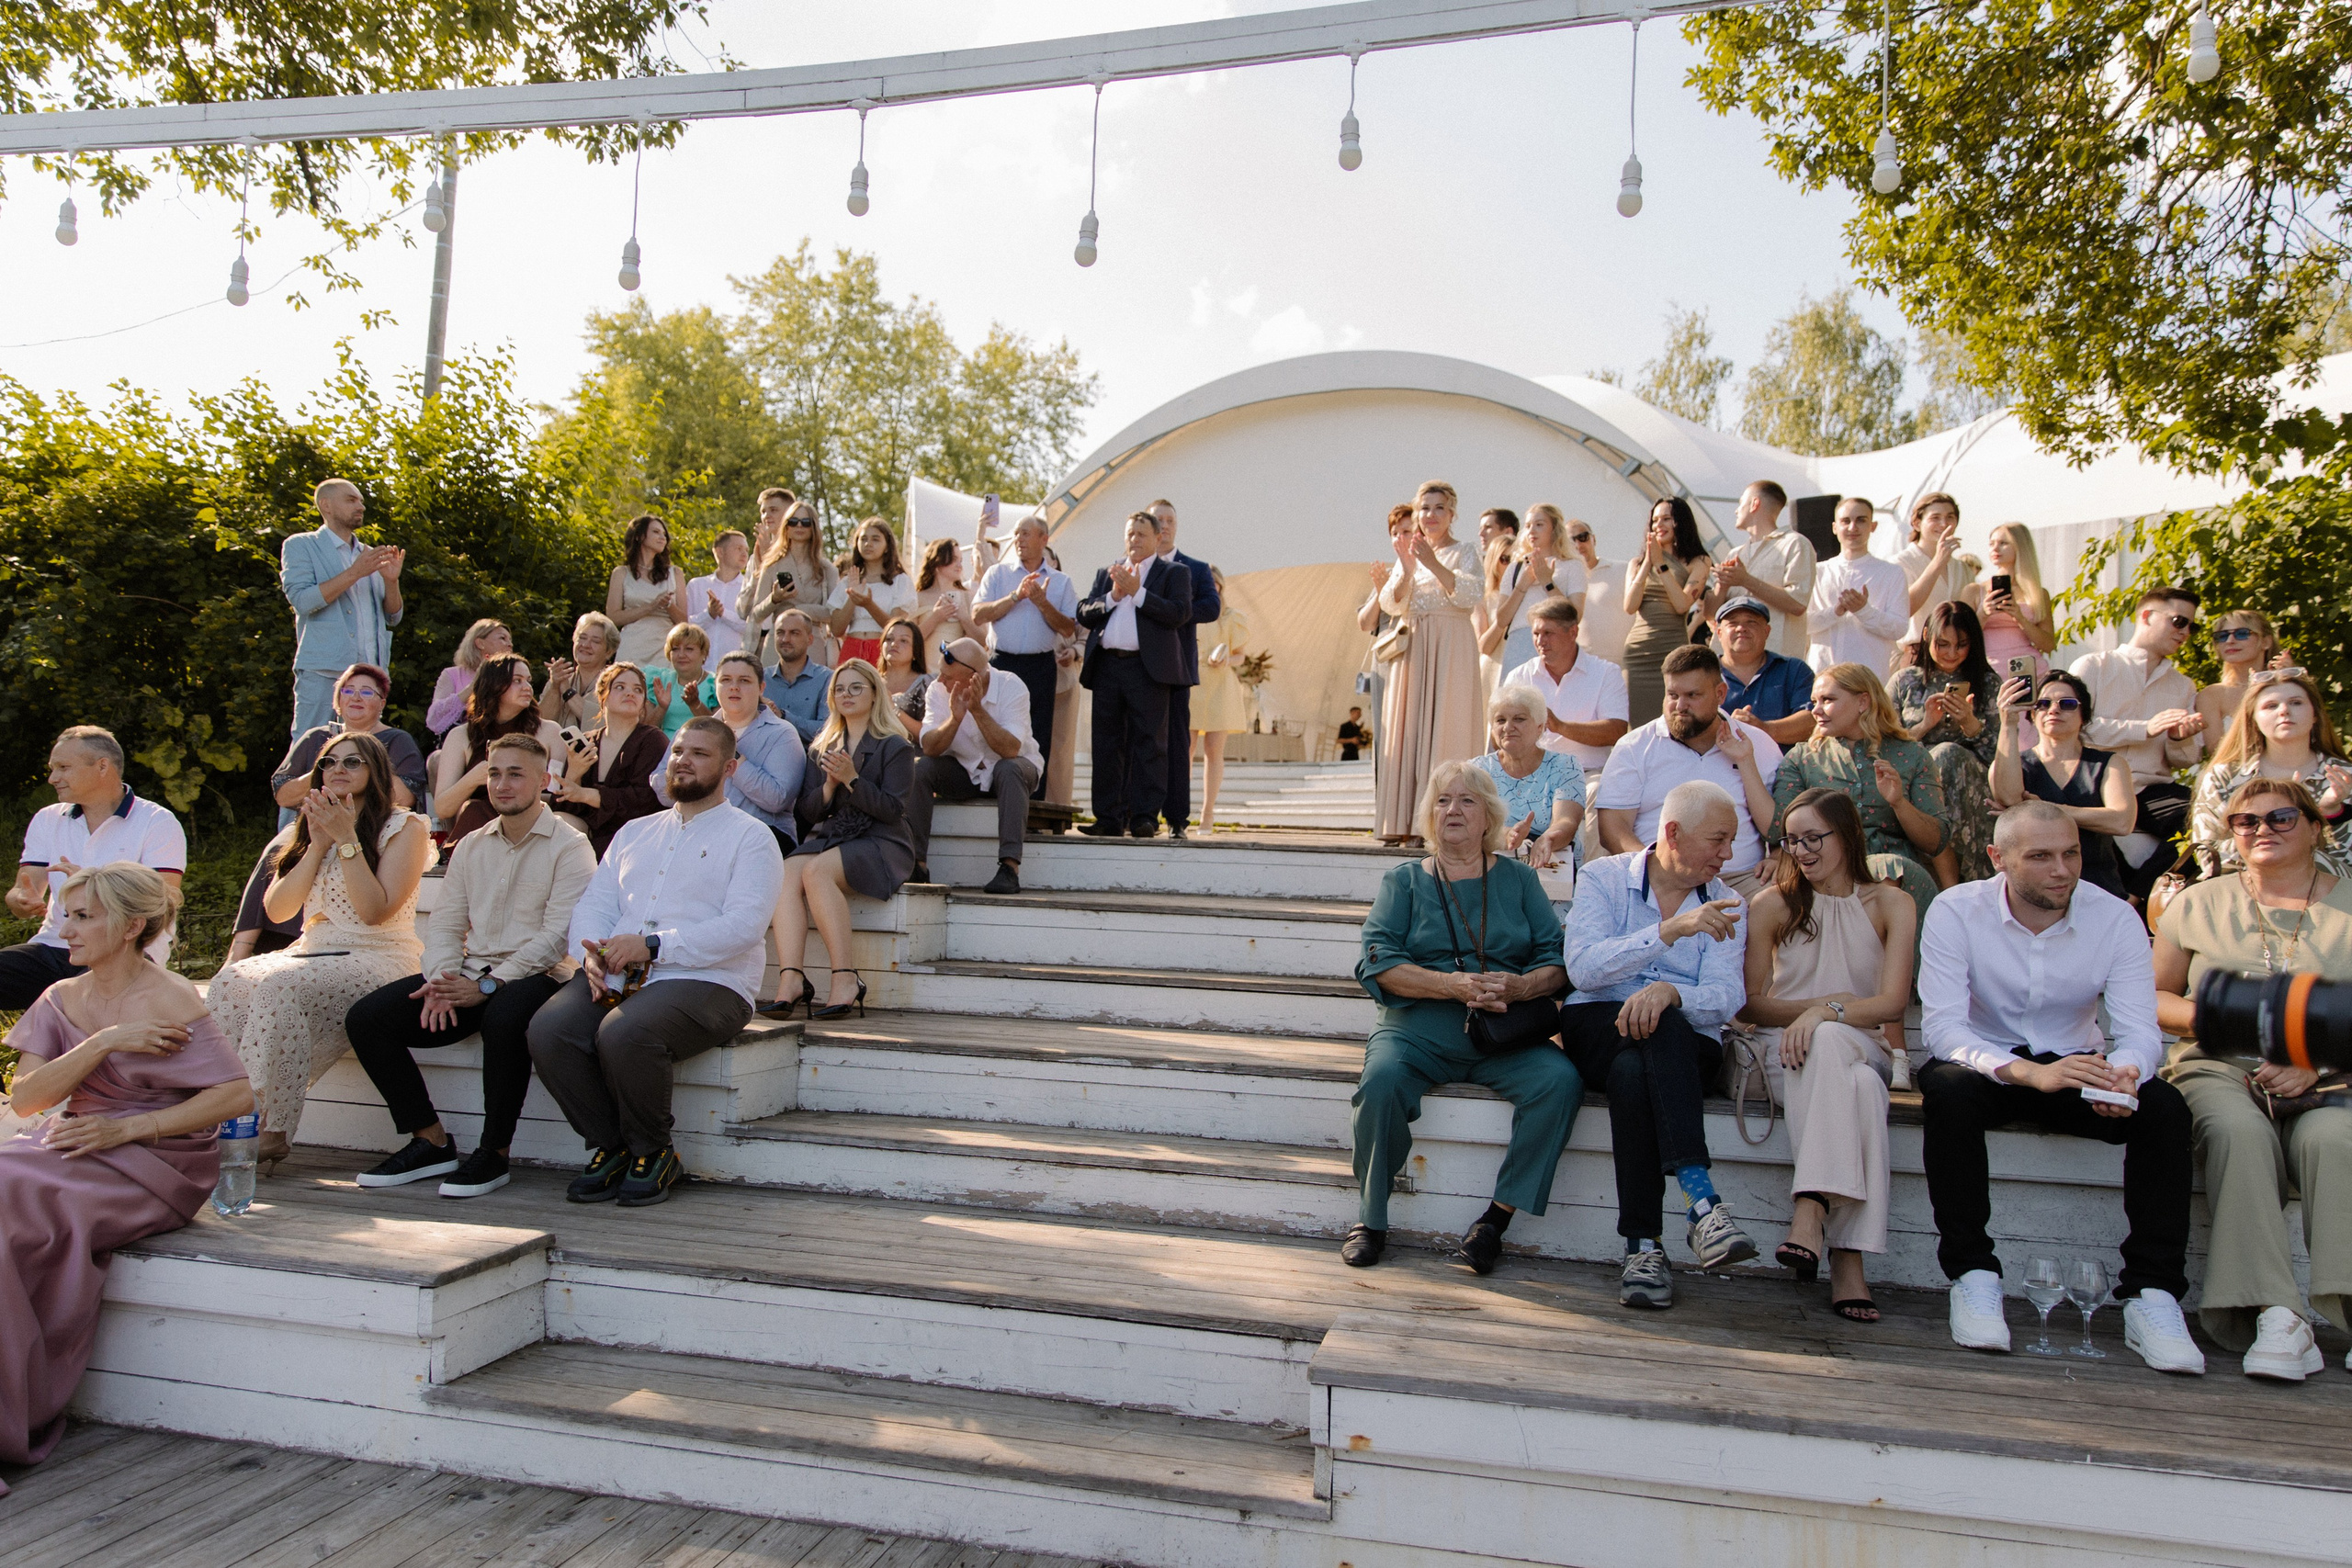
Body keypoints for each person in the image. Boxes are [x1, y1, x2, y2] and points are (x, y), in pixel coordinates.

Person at [1917, 801, 2203, 1371]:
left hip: (2078, 1065)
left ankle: (2152, 1295)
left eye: (2071, 853)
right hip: (1991, 1066)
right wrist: (2027, 1072)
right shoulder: (1956, 909)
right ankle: (1973, 1276)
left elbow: (2139, 1031)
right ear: (1998, 858)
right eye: (2041, 857)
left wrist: (2126, 1074)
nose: (2062, 870)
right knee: (1946, 1089)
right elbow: (1943, 1029)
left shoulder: (2114, 918)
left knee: (2165, 1106)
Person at [0, 863, 252, 1484]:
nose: (66, 929)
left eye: (84, 916)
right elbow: (26, 1100)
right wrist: (103, 1041)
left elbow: (234, 1095)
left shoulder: (171, 997)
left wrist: (126, 1129)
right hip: (76, 1142)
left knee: (15, 1198)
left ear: (133, 925)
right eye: (67, 915)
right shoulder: (60, 996)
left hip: (156, 1160)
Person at [527, 718, 786, 1208]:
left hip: (709, 981)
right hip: (620, 972)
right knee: (549, 1030)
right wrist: (591, 952)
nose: (683, 761)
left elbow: (744, 926)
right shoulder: (635, 831)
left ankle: (654, 1151)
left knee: (623, 1032)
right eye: (679, 751)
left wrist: (652, 945)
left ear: (729, 768)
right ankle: (612, 1146)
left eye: (700, 754)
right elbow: (595, 904)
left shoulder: (752, 837)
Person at [2154, 777, 2352, 1380]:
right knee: (2239, 1134)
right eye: (2246, 821)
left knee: (2334, 1141)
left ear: (2315, 828)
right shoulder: (2197, 902)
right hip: (2218, 1065)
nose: (2262, 829)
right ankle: (2277, 1314)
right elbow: (2154, 996)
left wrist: (2313, 1059)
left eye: (2281, 817)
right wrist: (2233, 1025)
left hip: (2332, 1073)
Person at [343, 735, 596, 1199]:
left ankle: (494, 1153)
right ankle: (430, 1140)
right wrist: (444, 979)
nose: (502, 784)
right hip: (469, 975)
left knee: (505, 1016)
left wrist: (489, 985)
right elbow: (445, 924)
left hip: (539, 978)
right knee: (367, 1018)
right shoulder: (472, 844)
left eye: (516, 774)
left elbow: (556, 938)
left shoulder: (570, 846)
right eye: (494, 773)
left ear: (544, 780)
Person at [1348, 761, 1577, 1274]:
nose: (1453, 809)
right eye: (1443, 800)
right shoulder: (1404, 881)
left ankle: (1495, 1221)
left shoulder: (1520, 880)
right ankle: (1371, 1219)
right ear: (1430, 814)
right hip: (1418, 1030)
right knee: (1381, 1084)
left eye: (1467, 800)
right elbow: (1378, 961)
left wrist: (1520, 987)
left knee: (1560, 1082)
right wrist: (1448, 985)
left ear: (1489, 816)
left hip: (1504, 1031)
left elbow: (1557, 960)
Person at [1562, 780, 1760, 1306]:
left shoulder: (1730, 902)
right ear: (1672, 832)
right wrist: (1669, 931)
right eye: (1718, 839)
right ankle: (1702, 1203)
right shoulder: (1603, 877)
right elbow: (1582, 969)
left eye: (1732, 841)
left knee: (1644, 1056)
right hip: (1600, 1025)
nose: (1728, 854)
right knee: (1653, 1034)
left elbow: (1726, 996)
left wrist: (1670, 992)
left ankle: (1643, 1247)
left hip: (1685, 1045)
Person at [210, 732, 436, 1168]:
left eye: (352, 762)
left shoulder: (404, 827)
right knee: (228, 982)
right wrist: (317, 845)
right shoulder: (310, 825)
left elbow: (374, 912)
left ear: (375, 771)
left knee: (278, 986)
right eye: (328, 763)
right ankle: (221, 1116)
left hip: (380, 955)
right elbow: (278, 910)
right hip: (313, 950)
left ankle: (271, 1128)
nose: (337, 769)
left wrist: (346, 838)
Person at [1738, 789, 1916, 1322]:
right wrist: (1811, 1012)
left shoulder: (1891, 903)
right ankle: (1848, 1262)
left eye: (1814, 838)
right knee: (1861, 1089)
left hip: (1861, 1042)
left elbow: (1892, 1004)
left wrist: (1826, 1014)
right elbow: (1749, 1004)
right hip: (1784, 1051)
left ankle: (1811, 1205)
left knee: (1835, 1043)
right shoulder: (1772, 904)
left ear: (1849, 834)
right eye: (1792, 840)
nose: (1801, 851)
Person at [773, 661, 918, 1019]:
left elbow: (893, 810)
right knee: (785, 873)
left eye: (856, 688)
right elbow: (807, 812)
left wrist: (853, 780)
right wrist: (828, 786)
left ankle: (845, 977)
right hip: (837, 837)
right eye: (839, 689)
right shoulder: (822, 747)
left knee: (816, 872)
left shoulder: (895, 746)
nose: (846, 695)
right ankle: (791, 979)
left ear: (874, 694)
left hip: (883, 840)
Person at [2, 728, 186, 1009]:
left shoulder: (157, 822)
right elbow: (23, 889)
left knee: (83, 999)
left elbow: (164, 902)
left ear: (102, 766)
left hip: (126, 949)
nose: (53, 778)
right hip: (58, 945)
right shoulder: (47, 818)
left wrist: (94, 890)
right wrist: (20, 899)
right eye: (52, 769)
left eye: (63, 768)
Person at [1593, 645, 1782, 899]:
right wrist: (1652, 870)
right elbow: (1613, 829)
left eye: (1693, 695)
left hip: (1741, 878)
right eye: (1672, 695)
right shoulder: (1634, 746)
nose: (1680, 706)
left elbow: (1780, 829)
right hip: (1660, 878)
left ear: (1720, 693)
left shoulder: (1757, 743)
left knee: (1782, 900)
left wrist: (1780, 855)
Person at [1771, 663, 1946, 930]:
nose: (1816, 710)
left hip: (1898, 876)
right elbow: (1778, 829)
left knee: (1888, 870)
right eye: (1814, 702)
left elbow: (1936, 841)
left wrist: (1899, 803)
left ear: (1863, 702)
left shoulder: (1912, 755)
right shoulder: (1802, 758)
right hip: (1825, 868)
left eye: (1828, 700)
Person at [2073, 586, 2207, 897]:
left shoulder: (2184, 685)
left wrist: (2178, 739)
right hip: (2095, 784)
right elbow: (2076, 728)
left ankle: (2138, 895)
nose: (2186, 632)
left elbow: (2185, 759)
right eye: (2179, 621)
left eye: (2193, 626)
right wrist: (2145, 728)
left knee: (2209, 819)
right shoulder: (2094, 665)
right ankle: (2134, 898)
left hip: (2150, 789)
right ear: (2146, 616)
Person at [1374, 481, 1485, 843]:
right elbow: (1391, 603)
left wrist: (1431, 563)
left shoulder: (1465, 551)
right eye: (1424, 508)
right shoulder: (1409, 552)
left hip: (1451, 647)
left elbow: (1471, 593)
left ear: (1452, 514)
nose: (1431, 515)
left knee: (1447, 726)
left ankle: (1444, 823)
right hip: (1414, 651)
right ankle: (1404, 821)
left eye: (1439, 508)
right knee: (1409, 732)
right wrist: (1407, 568)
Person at [1078, 512, 1194, 839]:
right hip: (1107, 667)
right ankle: (1107, 818)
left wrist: (1137, 592)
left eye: (1142, 534)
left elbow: (1179, 613)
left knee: (1150, 744)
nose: (1134, 540)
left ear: (1158, 538)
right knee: (1106, 744)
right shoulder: (1108, 573)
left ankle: (1144, 817)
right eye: (1130, 533)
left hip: (1147, 670)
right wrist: (1114, 596)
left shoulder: (1174, 573)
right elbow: (1083, 612)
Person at [2184, 670, 2352, 879]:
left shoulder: (2345, 776)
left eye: (2296, 703)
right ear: (2253, 718)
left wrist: (2330, 814)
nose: (2284, 711)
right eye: (2271, 706)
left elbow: (2347, 865)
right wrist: (2281, 836)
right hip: (2242, 889)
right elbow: (2208, 854)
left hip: (2327, 893)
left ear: (2315, 714)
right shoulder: (2225, 776)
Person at [909, 637, 1040, 896]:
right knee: (920, 767)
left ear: (973, 677)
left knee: (1008, 768)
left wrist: (977, 711)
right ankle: (916, 865)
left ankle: (1009, 868)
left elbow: (1010, 750)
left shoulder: (1012, 686)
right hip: (966, 771)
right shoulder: (937, 689)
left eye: (948, 676)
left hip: (1013, 771)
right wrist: (955, 719)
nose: (939, 680)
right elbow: (930, 748)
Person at [1990, 670, 2136, 900]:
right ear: (2032, 713)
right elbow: (2008, 799)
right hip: (2031, 893)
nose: (2053, 710)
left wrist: (2047, 808)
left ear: (2084, 715)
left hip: (2097, 886)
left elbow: (2122, 821)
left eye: (2067, 704)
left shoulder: (2109, 764)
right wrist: (2008, 723)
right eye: (2043, 704)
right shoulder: (2015, 765)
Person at [280, 477, 403, 739]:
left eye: (361, 501)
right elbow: (302, 601)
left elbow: (393, 616)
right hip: (324, 671)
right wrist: (355, 572)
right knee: (310, 744)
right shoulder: (301, 545)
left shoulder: (369, 553)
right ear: (326, 505)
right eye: (351, 500)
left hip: (370, 676)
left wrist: (391, 582)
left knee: (363, 749)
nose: (361, 506)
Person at [1890, 601, 2002, 884]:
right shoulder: (1905, 681)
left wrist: (1970, 723)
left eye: (1961, 645)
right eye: (1943, 644)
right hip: (1912, 778)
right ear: (1927, 635)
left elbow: (2001, 755)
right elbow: (1884, 745)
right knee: (1937, 756)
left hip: (1971, 784)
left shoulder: (1988, 683)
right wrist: (1925, 724)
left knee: (1948, 754)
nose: (1952, 653)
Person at [656, 651, 805, 853]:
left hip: (761, 836)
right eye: (726, 680)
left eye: (744, 680)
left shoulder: (782, 733)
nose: (734, 687)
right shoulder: (693, 731)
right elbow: (662, 790)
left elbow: (777, 799)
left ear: (761, 687)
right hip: (697, 831)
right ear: (716, 685)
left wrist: (732, 756)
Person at [972, 514, 1080, 777]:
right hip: (1001, 663)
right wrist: (1015, 596)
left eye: (1025, 533)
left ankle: (1034, 796)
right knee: (994, 727)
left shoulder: (1061, 582)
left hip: (1040, 666)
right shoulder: (998, 574)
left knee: (1038, 735)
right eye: (1016, 534)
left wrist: (1042, 602)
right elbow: (977, 615)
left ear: (1044, 539)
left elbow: (1068, 628)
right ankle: (992, 789)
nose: (1018, 539)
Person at [434, 652, 564, 840]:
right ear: (493, 685)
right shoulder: (461, 736)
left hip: (532, 822)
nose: (527, 687)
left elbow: (556, 796)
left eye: (528, 681)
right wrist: (475, 777)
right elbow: (443, 808)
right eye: (517, 680)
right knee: (473, 809)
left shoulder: (550, 732)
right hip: (480, 824)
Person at [1500, 596, 1631, 784]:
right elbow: (1499, 736)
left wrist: (1560, 726)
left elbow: (1616, 731)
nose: (1540, 641)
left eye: (1548, 633)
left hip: (1587, 775)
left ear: (1573, 632)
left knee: (1596, 789)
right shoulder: (1519, 676)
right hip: (1530, 777)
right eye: (1536, 633)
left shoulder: (1605, 673)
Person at [270, 662, 429, 815]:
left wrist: (363, 765)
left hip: (375, 826)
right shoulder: (316, 737)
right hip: (317, 824)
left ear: (382, 703)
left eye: (366, 692)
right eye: (348, 691)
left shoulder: (397, 740)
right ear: (339, 699)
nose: (356, 697)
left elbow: (405, 798)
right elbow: (283, 796)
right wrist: (325, 770)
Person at [1149, 499, 1221, 838]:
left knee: (1178, 745)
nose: (1164, 526)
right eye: (1158, 520)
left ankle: (1177, 819)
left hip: (1177, 667)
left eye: (1170, 520)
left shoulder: (1195, 568)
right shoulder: (1134, 567)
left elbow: (1212, 607)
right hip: (1138, 667)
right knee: (1142, 742)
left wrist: (1174, 609)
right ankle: (1139, 815)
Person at [549, 662, 668, 857]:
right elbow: (563, 806)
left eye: (638, 690)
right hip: (587, 834)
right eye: (620, 687)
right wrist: (574, 773)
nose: (630, 693)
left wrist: (585, 794)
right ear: (603, 696)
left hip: (635, 836)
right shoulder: (587, 741)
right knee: (557, 824)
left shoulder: (653, 740)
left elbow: (644, 801)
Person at [1471, 686, 1585, 886]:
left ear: (1540, 727)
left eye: (1519, 719)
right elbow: (1472, 824)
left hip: (1551, 875)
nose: (1508, 727)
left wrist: (1548, 838)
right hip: (1489, 876)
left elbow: (1567, 820)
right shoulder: (1477, 770)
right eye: (1500, 720)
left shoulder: (1565, 765)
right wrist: (1507, 835)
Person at [1622, 498, 1713, 726]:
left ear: (1680, 522)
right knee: (1636, 723)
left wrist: (1661, 565)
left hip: (1672, 649)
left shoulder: (1698, 561)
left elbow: (1682, 605)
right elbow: (1630, 606)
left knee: (1674, 719)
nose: (1659, 525)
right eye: (1655, 520)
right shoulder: (1636, 563)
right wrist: (1648, 563)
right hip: (1639, 654)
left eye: (1666, 519)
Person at [1706, 480, 1813, 660]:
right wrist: (1722, 586)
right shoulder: (1735, 554)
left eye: (1741, 503)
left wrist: (1745, 580)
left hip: (1774, 660)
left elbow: (1797, 603)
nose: (1736, 511)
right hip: (1729, 661)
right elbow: (1711, 615)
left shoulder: (1795, 544)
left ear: (1754, 503)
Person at [1960, 523, 2059, 714]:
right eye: (1991, 544)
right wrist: (1983, 614)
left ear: (2020, 546)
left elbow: (2048, 644)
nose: (1995, 549)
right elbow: (1960, 639)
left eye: (2003, 543)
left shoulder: (2038, 594)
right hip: (1989, 671)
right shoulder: (1974, 590)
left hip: (2029, 671)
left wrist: (2020, 617)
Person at [1804, 496, 1908, 678]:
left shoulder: (1891, 573)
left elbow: (1899, 628)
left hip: (1868, 678)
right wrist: (1835, 612)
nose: (1853, 527)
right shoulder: (1818, 572)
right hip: (1822, 676)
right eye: (1846, 521)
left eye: (1861, 520)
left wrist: (1864, 610)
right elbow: (1802, 624)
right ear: (1835, 527)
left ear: (1872, 526)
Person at [1484, 504, 1588, 676]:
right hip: (1519, 644)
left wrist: (1547, 581)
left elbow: (1575, 616)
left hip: (1555, 643)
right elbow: (1502, 619)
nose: (1532, 531)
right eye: (1528, 526)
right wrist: (1523, 583)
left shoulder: (1572, 565)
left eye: (1539, 525)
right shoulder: (1515, 568)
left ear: (1554, 529)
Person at [741, 493, 839, 671]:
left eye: (806, 522)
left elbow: (834, 614)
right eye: (793, 522)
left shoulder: (827, 569)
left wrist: (801, 610)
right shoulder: (771, 565)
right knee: (772, 687)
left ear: (814, 527)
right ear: (786, 527)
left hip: (812, 640)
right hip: (778, 641)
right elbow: (756, 614)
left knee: (812, 686)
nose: (799, 526)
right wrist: (775, 599)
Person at [1189, 567, 1250, 831]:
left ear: (1220, 586)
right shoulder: (1189, 612)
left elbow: (1240, 656)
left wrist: (1226, 660)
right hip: (1191, 682)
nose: (1210, 587)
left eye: (1214, 583)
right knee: (1185, 749)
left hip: (1220, 685)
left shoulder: (1232, 617)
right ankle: (1178, 809)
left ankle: (1208, 812)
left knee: (1214, 750)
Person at [1713, 593, 1815, 746]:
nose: (1741, 628)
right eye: (1733, 623)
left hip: (1782, 762)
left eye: (1751, 622)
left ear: (1767, 631)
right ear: (1719, 633)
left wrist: (1764, 729)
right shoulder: (1701, 674)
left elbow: (1812, 720)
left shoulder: (1794, 670)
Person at [827, 516, 914, 669]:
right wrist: (852, 597)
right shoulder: (847, 581)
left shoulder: (900, 581)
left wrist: (868, 604)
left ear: (887, 546)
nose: (868, 544)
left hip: (883, 650)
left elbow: (896, 626)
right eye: (863, 539)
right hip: (852, 649)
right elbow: (836, 630)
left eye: (875, 539)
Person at [2196, 608, 2290, 747]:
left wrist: (2291, 680)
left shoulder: (2288, 685)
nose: (2230, 641)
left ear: (2266, 642)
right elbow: (2216, 751)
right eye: (2222, 636)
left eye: (2242, 634)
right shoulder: (2211, 695)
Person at [608, 513, 687, 669]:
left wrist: (668, 605)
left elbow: (684, 621)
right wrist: (651, 606)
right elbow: (613, 617)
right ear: (639, 536)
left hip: (664, 648)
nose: (662, 538)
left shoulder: (675, 573)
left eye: (664, 534)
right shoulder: (621, 573)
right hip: (632, 646)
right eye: (656, 532)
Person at [1895, 492, 1968, 643]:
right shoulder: (1900, 563)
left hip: (1955, 650)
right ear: (1917, 524)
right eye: (1935, 518)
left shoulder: (1962, 568)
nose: (1944, 524)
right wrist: (1938, 562)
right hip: (1916, 649)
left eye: (1950, 517)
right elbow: (1902, 609)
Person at [426, 618, 513, 738]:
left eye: (510, 640)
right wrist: (474, 685)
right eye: (502, 638)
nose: (510, 644)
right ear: (480, 643)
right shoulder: (452, 674)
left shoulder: (514, 677)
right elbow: (434, 720)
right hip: (459, 744)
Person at [539, 611, 622, 731]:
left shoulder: (616, 684)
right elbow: (540, 724)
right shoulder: (561, 678)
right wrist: (555, 687)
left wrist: (568, 692)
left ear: (609, 652)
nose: (585, 645)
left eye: (595, 641)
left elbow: (603, 723)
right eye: (582, 638)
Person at [763, 608, 832, 746]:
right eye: (780, 632)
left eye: (794, 633)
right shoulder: (761, 678)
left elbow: (827, 730)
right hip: (764, 754)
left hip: (808, 756)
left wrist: (783, 717)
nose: (785, 639)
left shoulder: (827, 679)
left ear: (810, 640)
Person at [1567, 519, 1631, 665]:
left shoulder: (1623, 570)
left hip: (1623, 664)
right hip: (1581, 666)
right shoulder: (1563, 580)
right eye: (1571, 541)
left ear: (1593, 539)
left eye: (1583, 537)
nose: (1578, 545)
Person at [912, 537, 977, 674]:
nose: (959, 565)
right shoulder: (917, 597)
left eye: (961, 560)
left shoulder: (968, 597)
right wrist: (936, 618)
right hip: (924, 674)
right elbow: (909, 641)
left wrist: (964, 618)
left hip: (956, 675)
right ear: (937, 562)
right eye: (953, 559)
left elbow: (982, 642)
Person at [644, 622, 718, 738]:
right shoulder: (660, 680)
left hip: (701, 744)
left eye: (689, 649)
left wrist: (696, 704)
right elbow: (645, 730)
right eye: (675, 649)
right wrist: (662, 707)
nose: (681, 655)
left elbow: (717, 730)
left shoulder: (714, 684)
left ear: (703, 653)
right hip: (664, 745)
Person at [686, 528, 752, 658]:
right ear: (720, 552)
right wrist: (708, 615)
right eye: (739, 548)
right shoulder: (696, 585)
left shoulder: (750, 588)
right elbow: (684, 626)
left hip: (736, 664)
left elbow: (752, 628)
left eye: (746, 550)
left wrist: (723, 613)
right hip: (700, 665)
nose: (744, 554)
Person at [880, 615, 934, 723]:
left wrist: (894, 709)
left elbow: (928, 731)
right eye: (889, 639)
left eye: (903, 641)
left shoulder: (927, 684)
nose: (894, 644)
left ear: (915, 650)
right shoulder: (870, 680)